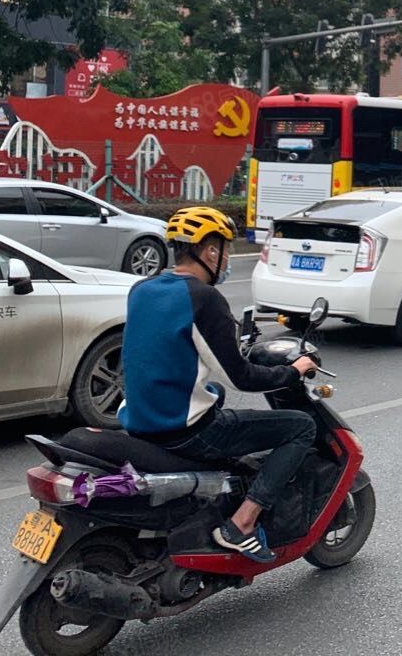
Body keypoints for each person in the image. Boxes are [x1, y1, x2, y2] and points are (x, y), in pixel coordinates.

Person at [119, 207, 318, 563]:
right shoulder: (204, 299)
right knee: (301, 427)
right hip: (182, 430)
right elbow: (241, 376)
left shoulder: (142, 289)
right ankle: (241, 524)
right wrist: (293, 371)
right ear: (210, 252)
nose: (226, 260)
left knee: (217, 395)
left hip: (137, 418)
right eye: (224, 250)